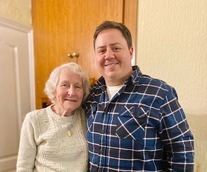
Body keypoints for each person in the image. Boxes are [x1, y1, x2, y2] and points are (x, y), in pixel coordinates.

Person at [83, 21, 194, 171]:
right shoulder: (90, 95)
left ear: (130, 52)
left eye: (116, 48)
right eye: (101, 50)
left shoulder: (160, 93)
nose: (108, 55)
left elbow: (181, 151)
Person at [17, 62, 90, 172]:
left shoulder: (88, 117)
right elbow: (24, 167)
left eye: (77, 86)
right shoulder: (33, 120)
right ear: (54, 90)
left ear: (83, 93)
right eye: (64, 85)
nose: (71, 92)